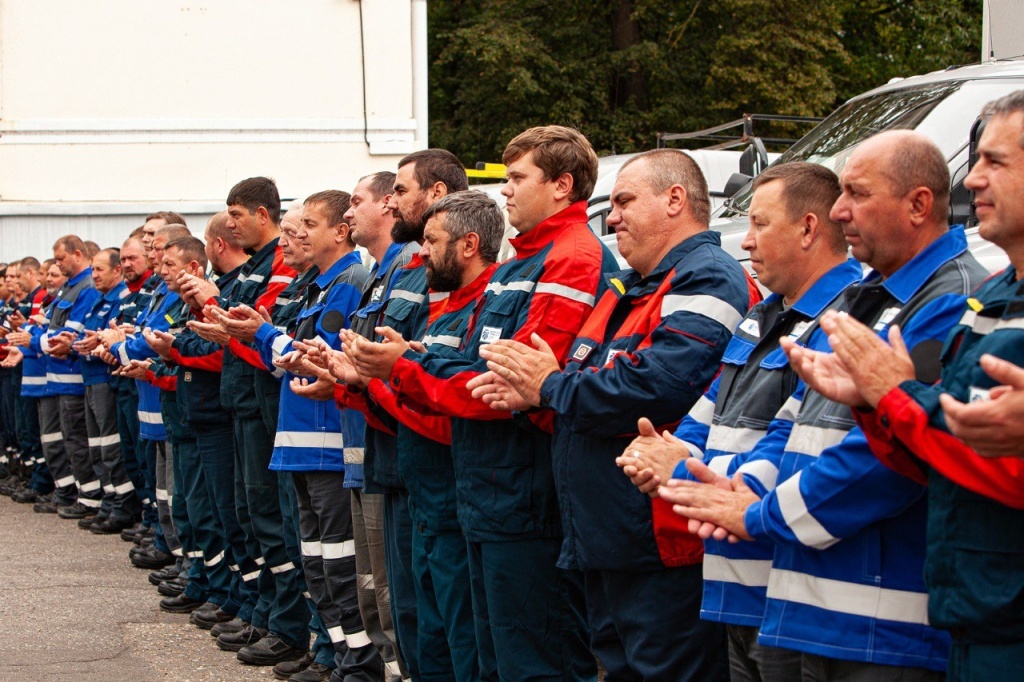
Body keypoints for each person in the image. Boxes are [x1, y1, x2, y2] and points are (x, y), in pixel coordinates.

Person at [660, 130, 987, 679]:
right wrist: (729, 488)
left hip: (879, 626)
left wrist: (756, 511)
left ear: (918, 204)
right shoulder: (868, 298)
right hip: (811, 604)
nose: (838, 210)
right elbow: (792, 424)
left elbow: (885, 459)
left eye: (857, 194)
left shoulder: (948, 297)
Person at [470, 148, 752, 680]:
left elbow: (657, 384)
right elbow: (587, 377)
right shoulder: (629, 287)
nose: (613, 216)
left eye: (623, 201)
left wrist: (550, 387)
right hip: (608, 538)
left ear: (675, 200)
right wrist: (549, 388)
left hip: (658, 542)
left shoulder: (708, 276)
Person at [348, 125, 615, 680]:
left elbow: (512, 388)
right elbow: (478, 365)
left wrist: (399, 368)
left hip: (520, 492)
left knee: (530, 658)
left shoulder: (570, 258)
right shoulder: (525, 261)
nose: (506, 190)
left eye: (518, 178)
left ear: (563, 185)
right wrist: (402, 369)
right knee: (490, 652)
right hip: (487, 489)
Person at [785, 91, 1024, 678]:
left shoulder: (955, 291)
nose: (972, 181)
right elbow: (942, 452)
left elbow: (990, 456)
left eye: (995, 162)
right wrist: (873, 403)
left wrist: (892, 393)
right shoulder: (992, 297)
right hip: (977, 611)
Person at [616, 162, 860, 681]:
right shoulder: (763, 316)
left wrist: (681, 471)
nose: (745, 241)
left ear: (809, 228)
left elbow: (794, 446)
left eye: (760, 224)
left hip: (782, 580)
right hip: (733, 581)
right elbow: (707, 411)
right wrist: (663, 452)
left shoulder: (842, 318)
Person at [181, 177, 307, 665]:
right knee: (253, 518)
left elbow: (262, 340)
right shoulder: (256, 266)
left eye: (235, 213)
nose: (228, 224)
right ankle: (266, 612)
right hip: (245, 407)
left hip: (263, 410)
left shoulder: (276, 266)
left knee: (275, 524)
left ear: (262, 214)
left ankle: (287, 624)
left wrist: (216, 314)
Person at [37, 235, 102, 519]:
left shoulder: (85, 288)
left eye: (61, 259)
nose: (57, 265)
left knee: (78, 440)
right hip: (59, 377)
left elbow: (67, 334)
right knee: (68, 440)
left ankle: (89, 497)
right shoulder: (69, 287)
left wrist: (37, 341)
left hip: (73, 377)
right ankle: (77, 492)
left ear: (77, 254)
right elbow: (52, 328)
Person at [74, 248, 139, 534]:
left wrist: (95, 346)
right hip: (91, 379)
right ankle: (110, 499)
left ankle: (122, 505)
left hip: (105, 379)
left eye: (100, 269)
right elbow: (84, 339)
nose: (94, 275)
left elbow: (102, 341)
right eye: (93, 270)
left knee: (111, 446)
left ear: (117, 272)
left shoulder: (119, 300)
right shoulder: (98, 301)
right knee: (98, 446)